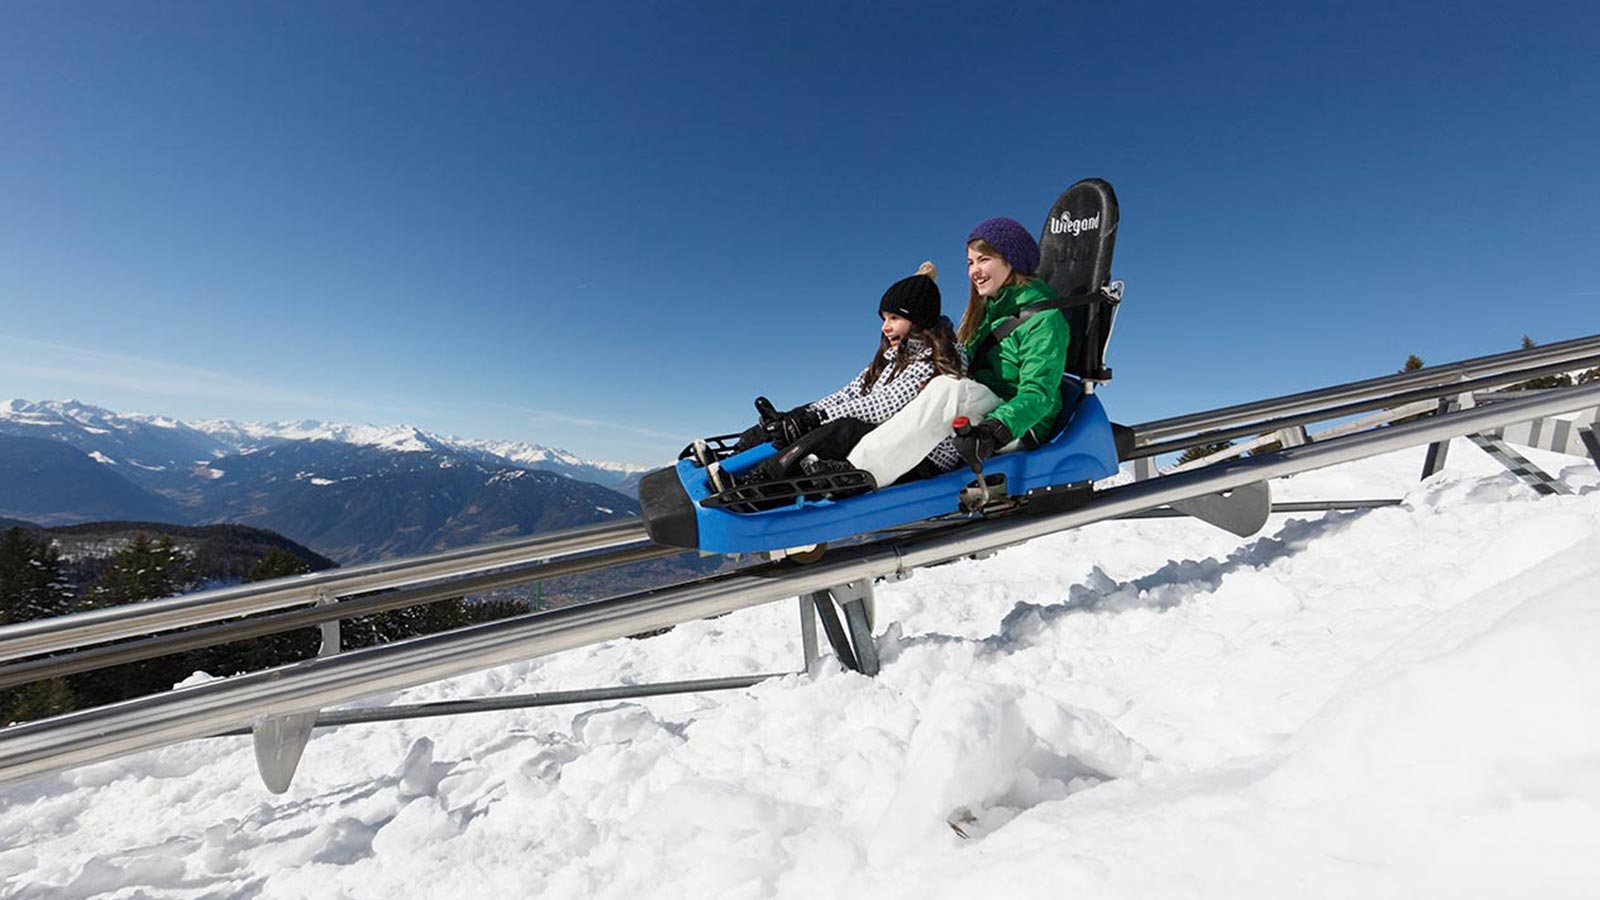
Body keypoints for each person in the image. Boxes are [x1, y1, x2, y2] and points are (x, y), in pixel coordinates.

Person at [835, 217, 1070, 488]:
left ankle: (858, 473)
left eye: (984, 260)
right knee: (931, 384)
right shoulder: (988, 314)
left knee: (949, 389)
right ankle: (843, 455)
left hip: (1020, 424)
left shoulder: (1044, 319)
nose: (974, 271)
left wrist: (994, 430)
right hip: (984, 409)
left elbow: (1038, 395)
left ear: (1011, 260)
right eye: (970, 263)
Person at [704, 263, 966, 491]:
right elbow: (849, 393)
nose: (885, 327)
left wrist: (817, 419)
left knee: (843, 428)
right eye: (884, 318)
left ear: (918, 319)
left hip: (920, 455)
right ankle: (728, 461)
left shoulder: (937, 361)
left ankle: (759, 483)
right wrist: (805, 413)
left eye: (894, 318)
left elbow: (885, 405)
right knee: (793, 419)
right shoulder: (893, 358)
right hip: (888, 443)